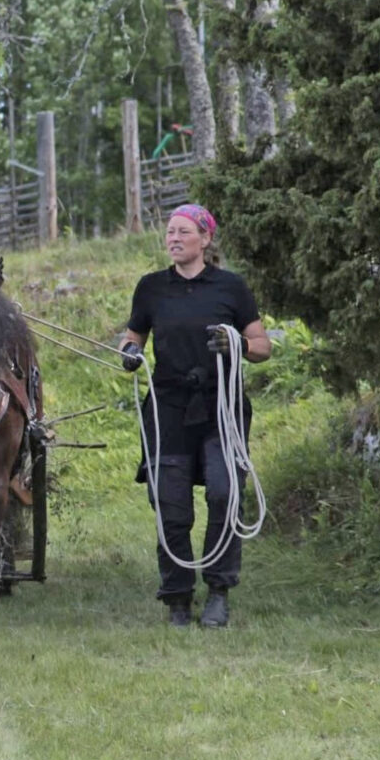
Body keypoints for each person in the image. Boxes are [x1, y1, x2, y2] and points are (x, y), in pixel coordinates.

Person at [119, 204, 271, 627]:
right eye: (170, 232)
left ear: (205, 239)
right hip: (168, 407)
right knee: (171, 505)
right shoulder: (151, 288)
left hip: (220, 406)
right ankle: (178, 598)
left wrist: (236, 344)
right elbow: (132, 338)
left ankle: (218, 592)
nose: (173, 238)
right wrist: (129, 354)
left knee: (224, 493)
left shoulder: (230, 287)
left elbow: (262, 345)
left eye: (183, 232)